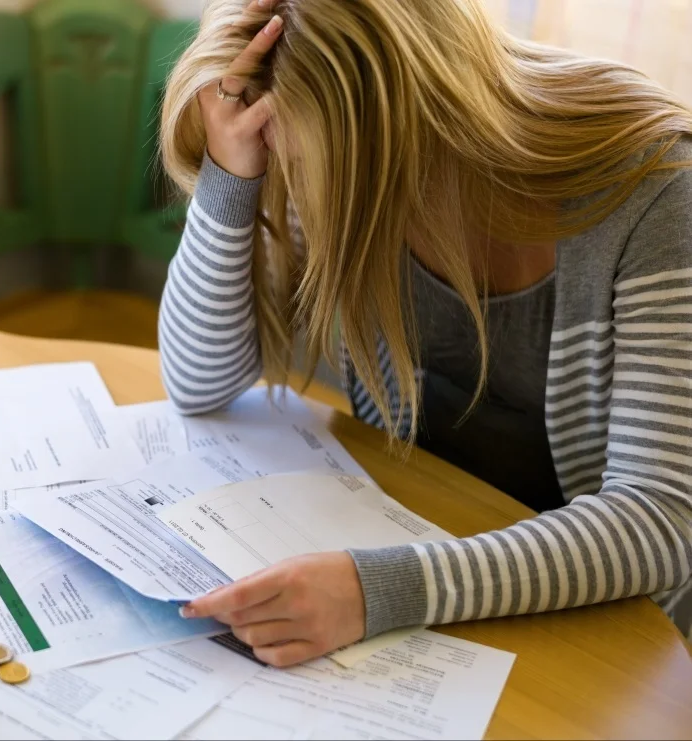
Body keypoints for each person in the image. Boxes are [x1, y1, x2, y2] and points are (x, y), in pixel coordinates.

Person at [162, 0, 692, 666]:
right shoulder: (337, 157)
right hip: (434, 557)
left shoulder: (655, 185)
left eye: (293, 161)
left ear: (408, 122)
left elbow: (662, 521)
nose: (296, 187)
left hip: (606, 624)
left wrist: (376, 587)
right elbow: (195, 379)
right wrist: (230, 174)